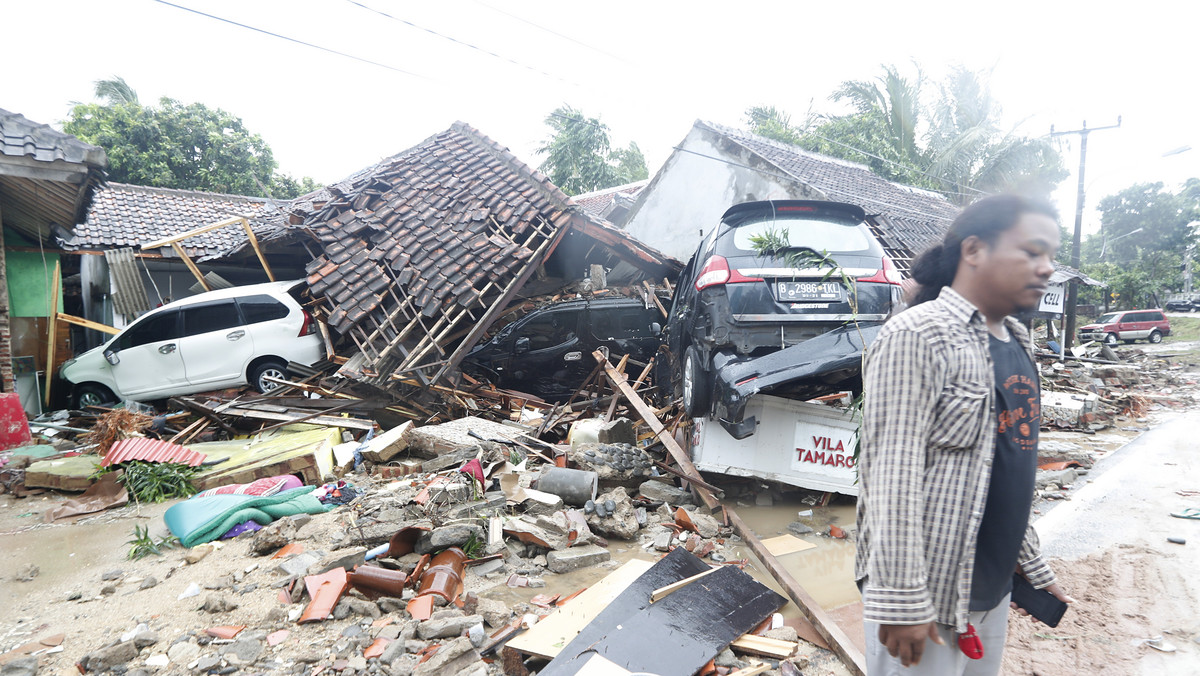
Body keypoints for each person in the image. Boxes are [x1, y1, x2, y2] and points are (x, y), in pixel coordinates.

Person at [855, 194, 1074, 674]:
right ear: (974, 250)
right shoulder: (918, 335)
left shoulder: (1017, 341)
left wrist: (1032, 565)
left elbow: (1008, 466)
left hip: (987, 588)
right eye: (1033, 252)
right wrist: (900, 598)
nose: (1047, 269)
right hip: (927, 594)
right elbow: (890, 473)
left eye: (1051, 257)